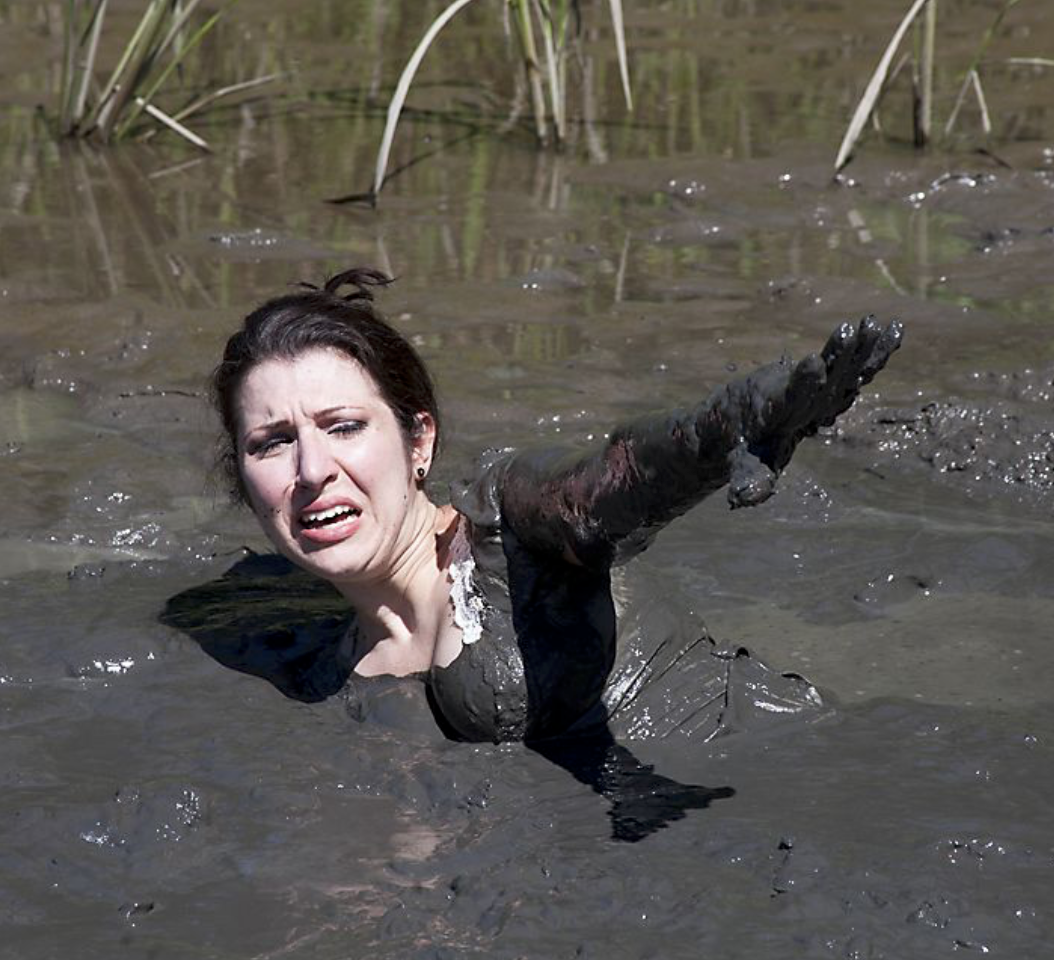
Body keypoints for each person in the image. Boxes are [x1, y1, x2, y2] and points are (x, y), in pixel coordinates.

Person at [168, 266, 901, 839]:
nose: (311, 470)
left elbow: (610, 483)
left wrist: (729, 428)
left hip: (817, 775)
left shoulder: (506, 527)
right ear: (243, 473)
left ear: (417, 441)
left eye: (343, 426)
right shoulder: (328, 664)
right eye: (273, 442)